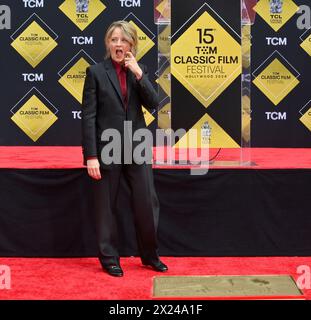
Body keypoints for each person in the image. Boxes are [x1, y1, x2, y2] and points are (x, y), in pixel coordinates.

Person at [81, 21, 168, 277]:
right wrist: (91, 156)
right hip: (107, 148)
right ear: (108, 44)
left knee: (146, 202)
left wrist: (139, 73)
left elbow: (154, 104)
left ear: (132, 44)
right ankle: (110, 259)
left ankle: (150, 256)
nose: (118, 44)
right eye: (114, 40)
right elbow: (88, 117)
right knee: (106, 207)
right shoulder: (95, 72)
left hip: (137, 147)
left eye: (123, 40)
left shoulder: (138, 71)